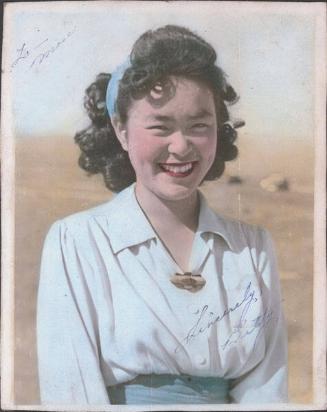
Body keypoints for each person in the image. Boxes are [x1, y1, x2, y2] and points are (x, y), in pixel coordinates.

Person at [37, 25, 288, 405]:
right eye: (160, 126)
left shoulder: (253, 248)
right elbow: (71, 394)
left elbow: (267, 391)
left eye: (199, 126)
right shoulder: (76, 242)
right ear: (121, 130)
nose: (181, 145)